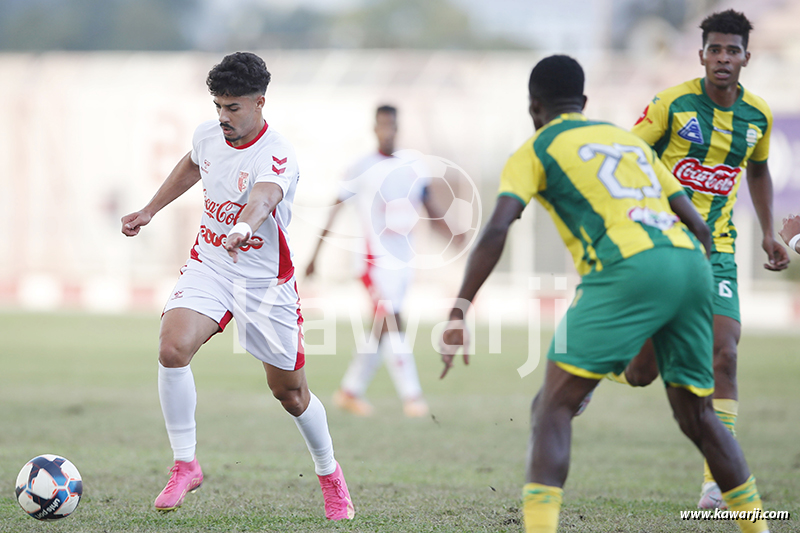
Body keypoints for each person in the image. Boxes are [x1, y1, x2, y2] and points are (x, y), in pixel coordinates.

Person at [439, 55, 770, 533]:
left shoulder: (536, 148)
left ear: (534, 108)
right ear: (585, 102)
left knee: (551, 406)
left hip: (625, 270)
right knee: (698, 415)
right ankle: (758, 526)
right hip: (691, 262)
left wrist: (459, 309)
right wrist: (687, 286)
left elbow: (496, 229)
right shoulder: (624, 139)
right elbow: (697, 222)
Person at [120, 52, 354, 520]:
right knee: (172, 349)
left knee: (290, 394)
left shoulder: (278, 152)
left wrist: (245, 227)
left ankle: (330, 476)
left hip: (264, 283)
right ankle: (185, 463)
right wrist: (150, 209)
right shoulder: (209, 135)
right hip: (211, 263)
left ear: (260, 102)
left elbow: (264, 196)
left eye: (233, 108)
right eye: (218, 106)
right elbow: (192, 164)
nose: (223, 118)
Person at [612, 9, 788, 509]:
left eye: (733, 50)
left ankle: (716, 479)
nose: (723, 59)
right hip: (664, 247)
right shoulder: (671, 105)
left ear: (747, 58)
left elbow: (758, 171)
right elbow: (626, 153)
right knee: (640, 373)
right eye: (715, 49)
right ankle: (599, 365)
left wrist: (770, 232)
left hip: (719, 251)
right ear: (702, 54)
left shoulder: (758, 116)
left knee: (725, 353)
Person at [305, 105, 451, 418]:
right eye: (382, 125)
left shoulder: (414, 164)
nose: (387, 130)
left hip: (403, 262)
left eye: (392, 125)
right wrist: (315, 255)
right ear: (374, 128)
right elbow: (336, 207)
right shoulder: (361, 166)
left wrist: (454, 235)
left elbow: (429, 204)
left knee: (383, 330)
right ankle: (413, 398)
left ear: (398, 128)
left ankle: (349, 391)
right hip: (373, 261)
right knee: (391, 322)